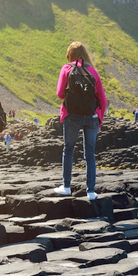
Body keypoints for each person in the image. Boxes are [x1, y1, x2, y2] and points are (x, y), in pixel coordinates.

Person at [54, 41, 107, 200]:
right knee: (90, 153)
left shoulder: (67, 69)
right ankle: (91, 191)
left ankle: (66, 186)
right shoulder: (93, 72)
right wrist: (99, 120)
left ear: (70, 54)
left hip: (72, 116)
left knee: (68, 149)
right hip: (91, 117)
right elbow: (102, 99)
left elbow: (60, 94)